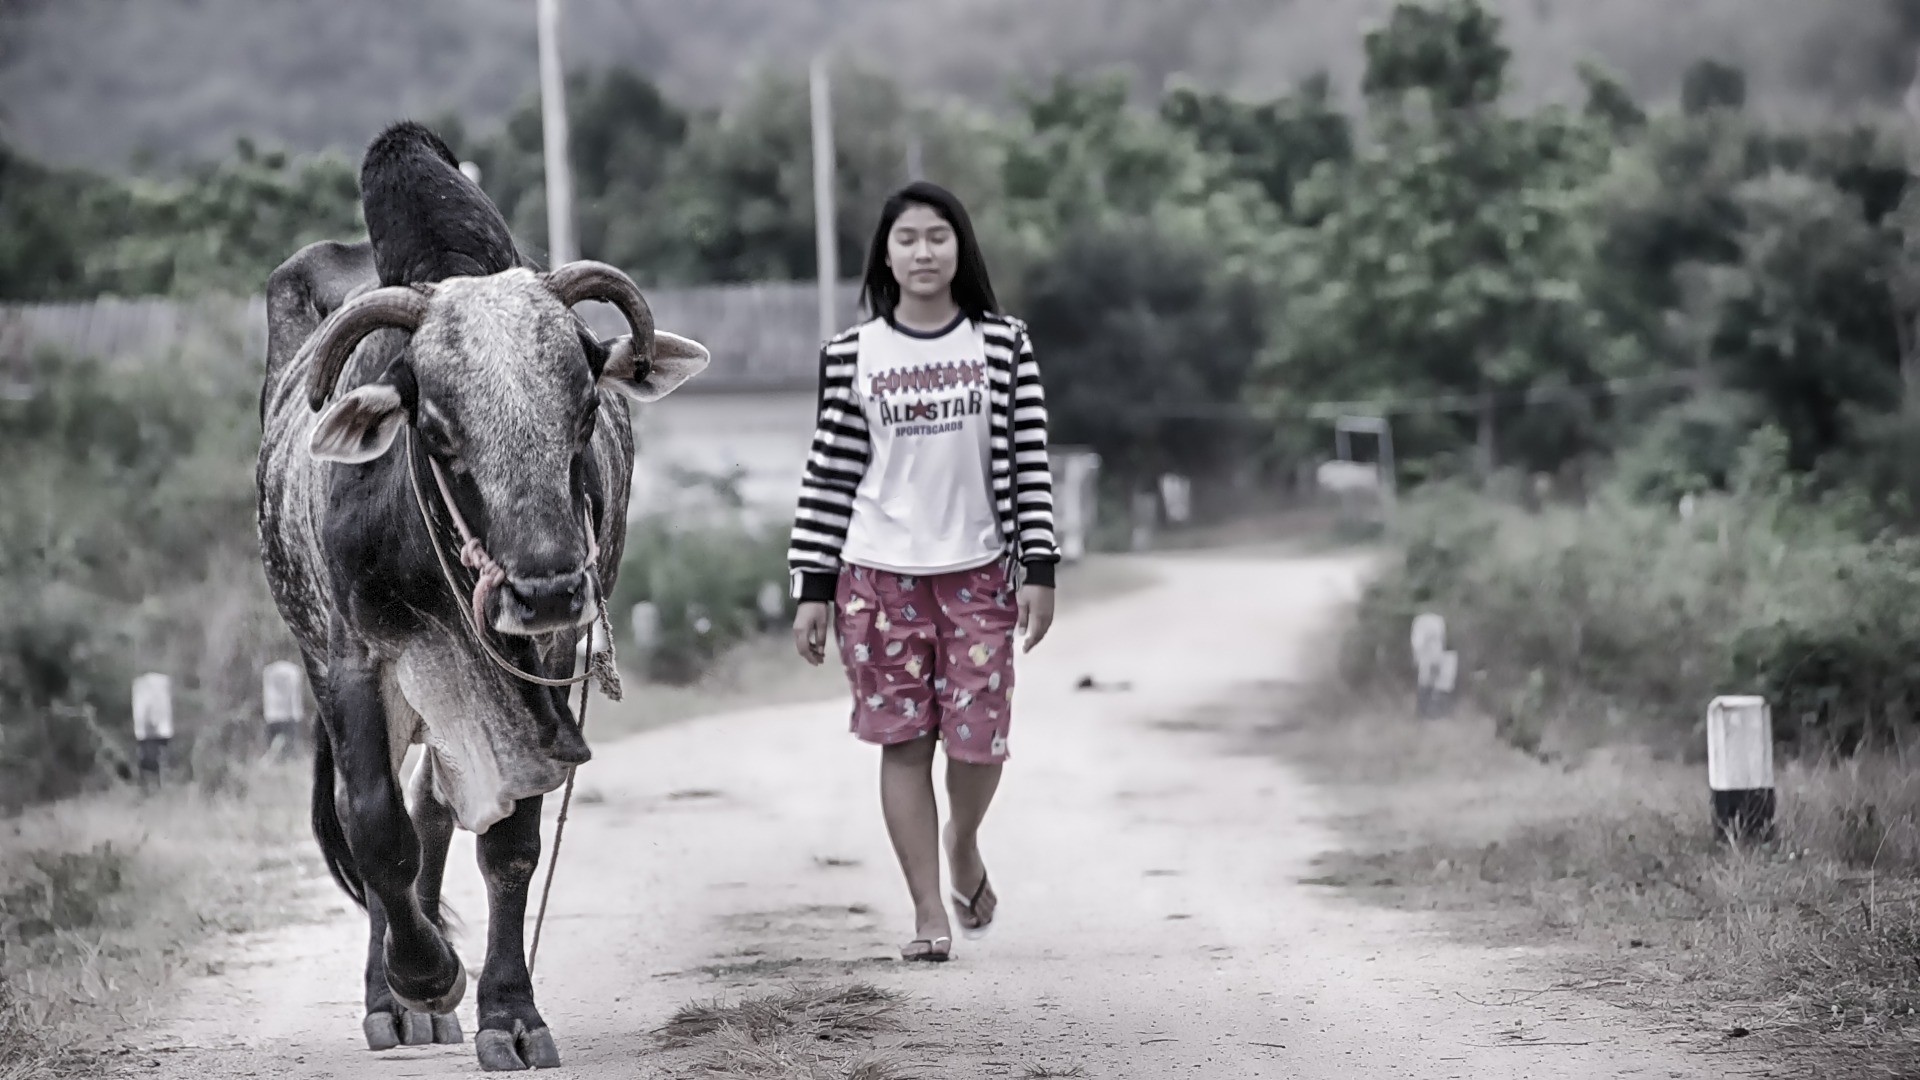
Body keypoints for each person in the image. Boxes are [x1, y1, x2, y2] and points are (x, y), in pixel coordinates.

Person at [787, 180, 1058, 962]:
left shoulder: (1002, 345)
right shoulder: (850, 355)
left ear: (960, 249)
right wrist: (812, 588)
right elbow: (829, 476)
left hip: (978, 573)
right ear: (886, 256)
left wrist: (1038, 563)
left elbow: (1029, 461)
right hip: (875, 578)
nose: (924, 251)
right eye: (907, 238)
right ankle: (926, 911)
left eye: (938, 236)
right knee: (903, 744)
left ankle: (963, 840)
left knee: (977, 745)